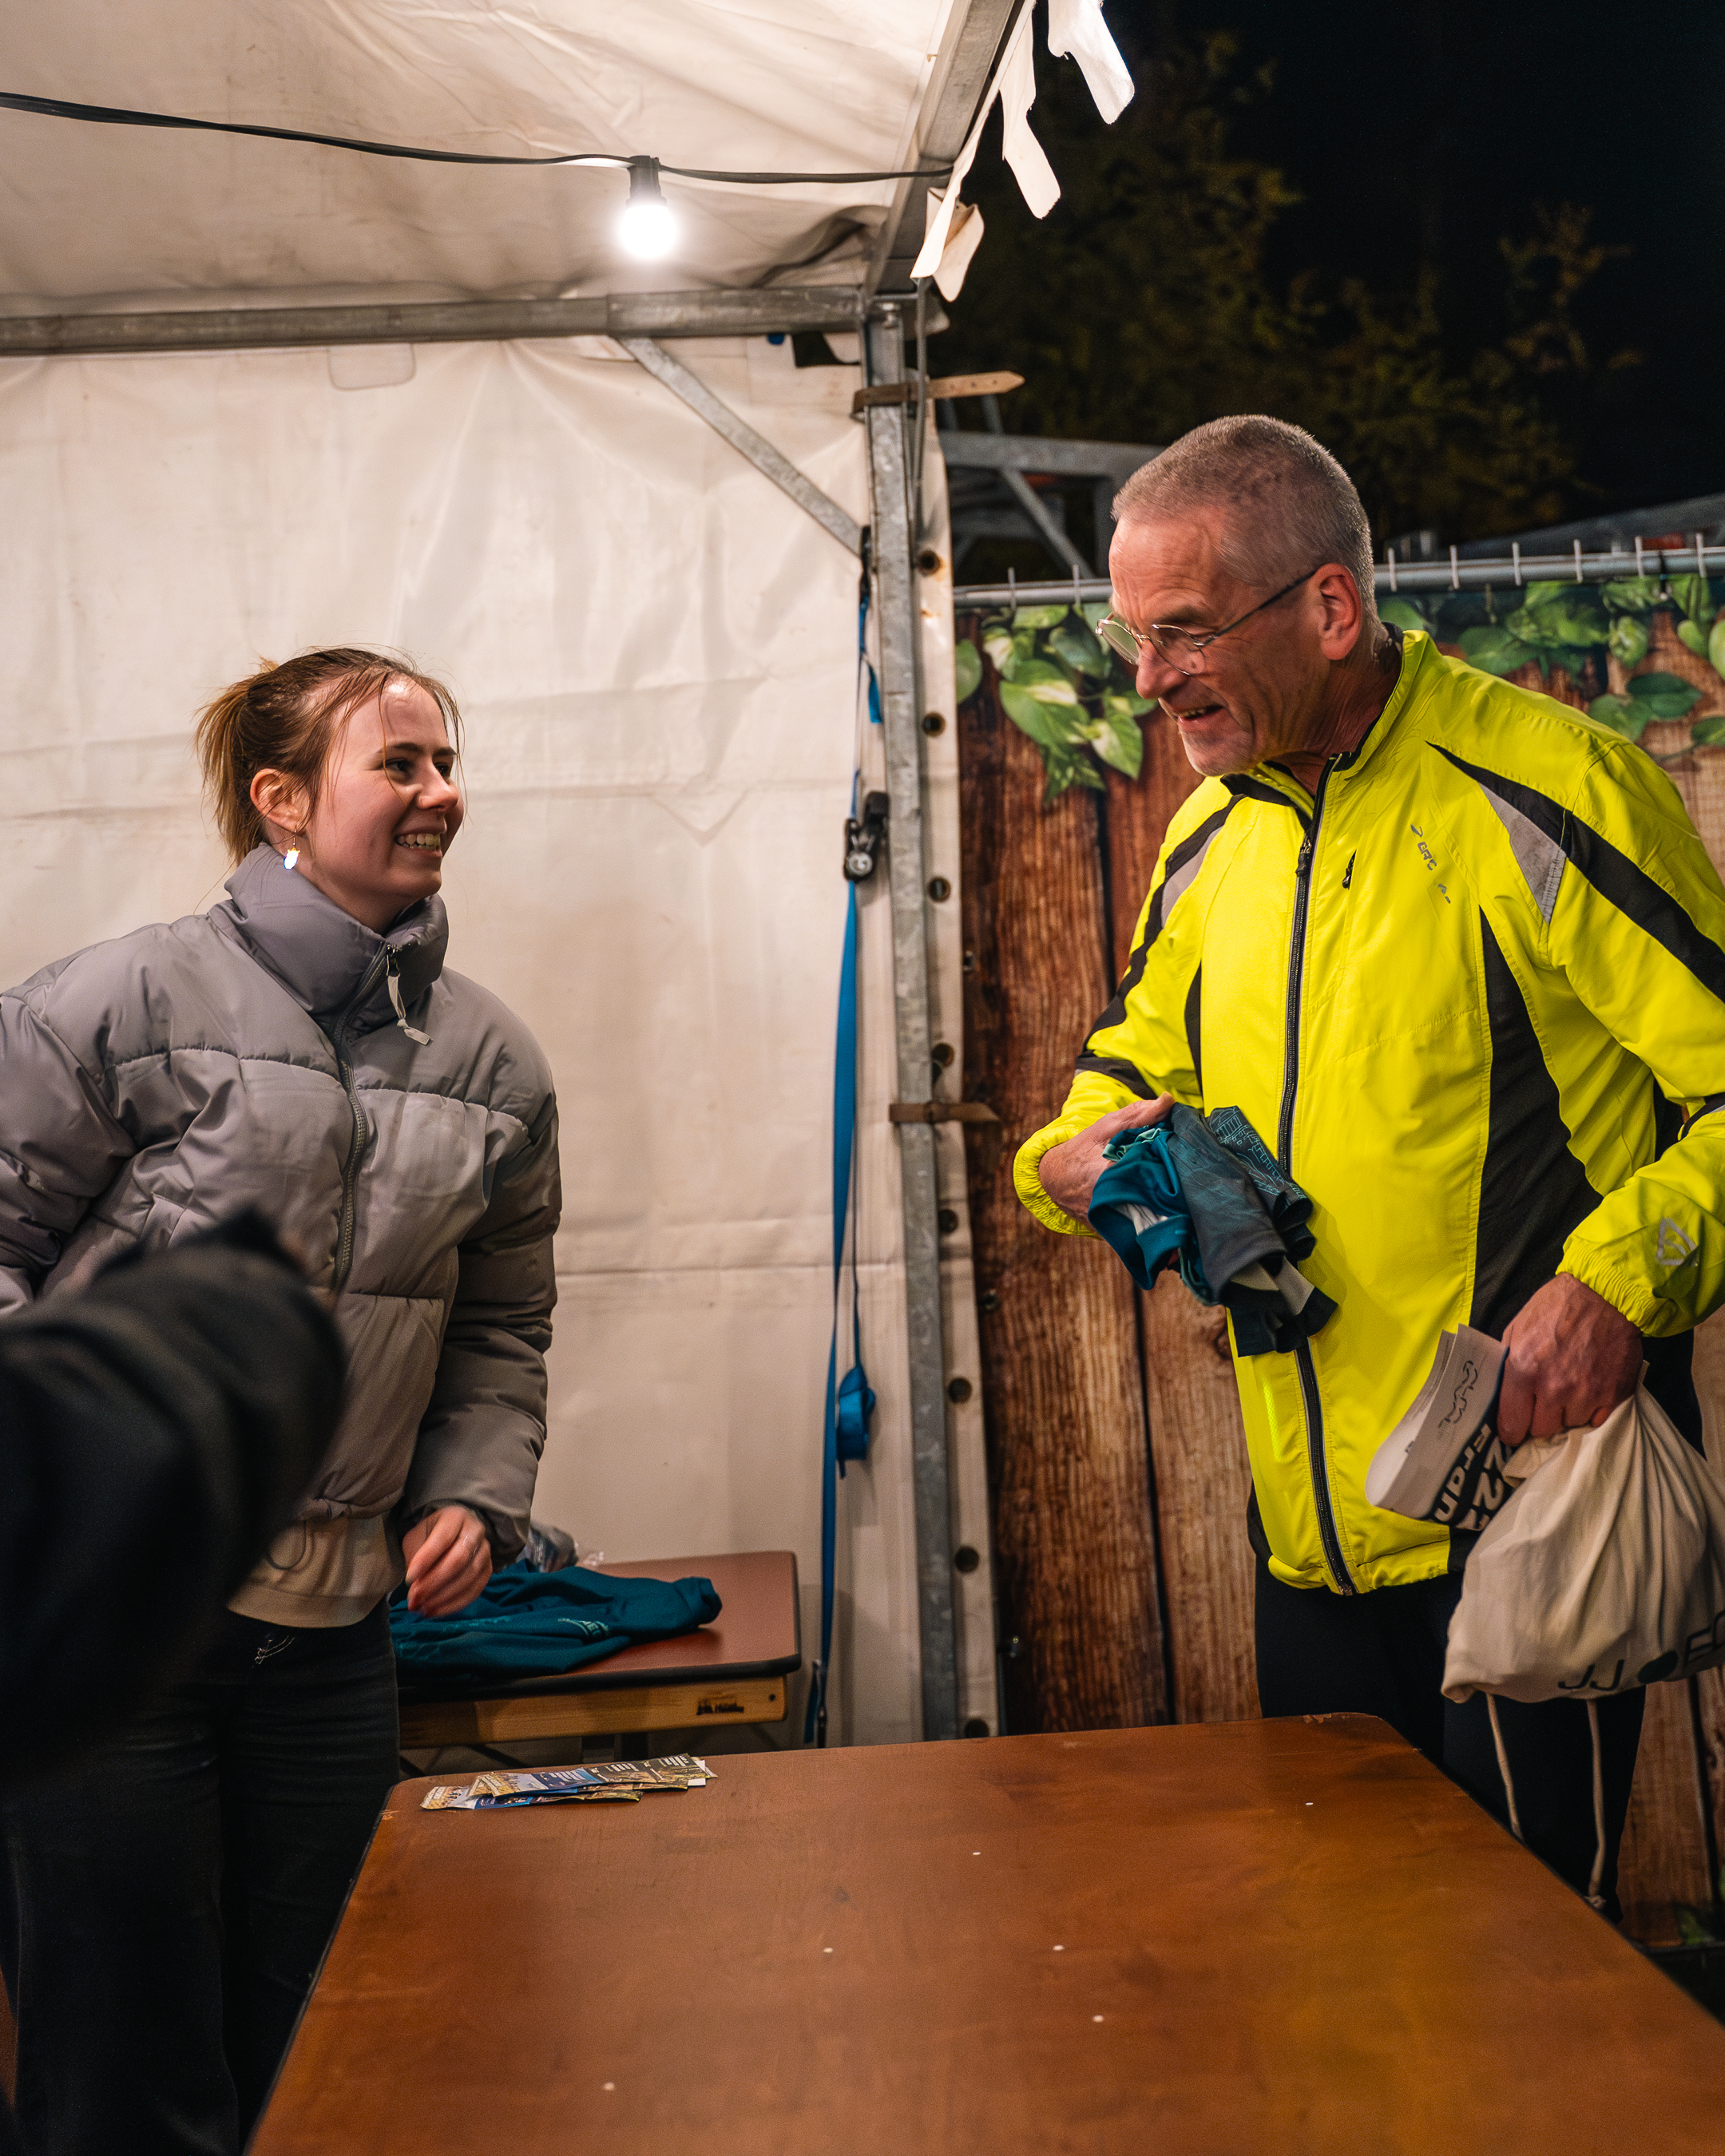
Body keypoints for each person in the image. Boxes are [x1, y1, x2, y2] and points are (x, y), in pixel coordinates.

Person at [1017, 415, 1725, 1916]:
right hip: (1307, 1549)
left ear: (1331, 607)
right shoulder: (1207, 840)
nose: (1150, 680)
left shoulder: (1548, 788)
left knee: (1528, 1979)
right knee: (1345, 1964)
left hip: (1527, 1516)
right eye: (1135, 638)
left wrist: (1618, 1285)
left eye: (1185, 630)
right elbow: (1133, 1065)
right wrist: (1069, 1157)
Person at [0, 648, 561, 2154]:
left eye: (447, 763)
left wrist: (472, 1493)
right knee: (123, 2067)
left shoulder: (494, 1062)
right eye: (401, 763)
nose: (442, 792)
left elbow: (498, 1326)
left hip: (328, 1645)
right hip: (112, 1630)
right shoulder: (121, 1001)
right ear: (284, 799)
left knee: (328, 2049)